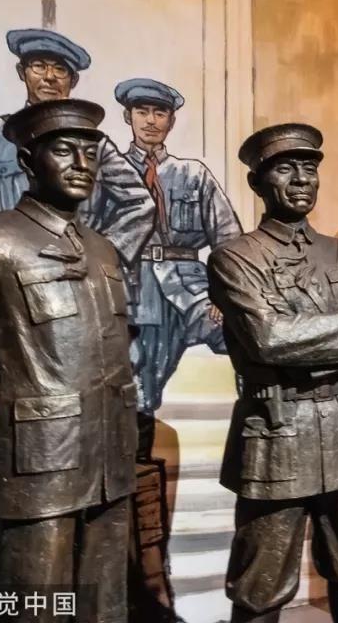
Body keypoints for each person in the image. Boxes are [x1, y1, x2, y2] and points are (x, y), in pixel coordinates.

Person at [0, 99, 137, 622]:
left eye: (91, 152)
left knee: (106, 605)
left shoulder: (102, 250)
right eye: (64, 150)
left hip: (111, 458)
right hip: (35, 466)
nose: (82, 163)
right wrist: (10, 447)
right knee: (37, 607)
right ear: (29, 161)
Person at [209, 123, 338, 622]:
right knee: (261, 583)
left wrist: (303, 344)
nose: (301, 180)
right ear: (257, 182)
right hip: (275, 432)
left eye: (309, 169)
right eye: (286, 169)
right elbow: (268, 339)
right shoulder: (235, 258)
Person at [115, 78, 241, 454]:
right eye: (142, 112)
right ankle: (139, 471)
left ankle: (260, 431)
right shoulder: (110, 173)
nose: (151, 121)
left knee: (247, 336)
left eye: (160, 113)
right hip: (135, 293)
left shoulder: (193, 175)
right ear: (128, 117)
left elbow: (228, 240)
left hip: (191, 288)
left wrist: (224, 295)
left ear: (171, 121)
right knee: (140, 385)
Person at [0, 28, 154, 266]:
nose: (50, 77)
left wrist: (101, 254)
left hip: (73, 267)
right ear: (22, 72)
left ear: (73, 80)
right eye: (39, 66)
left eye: (60, 69)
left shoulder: (95, 143)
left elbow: (140, 203)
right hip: (9, 265)